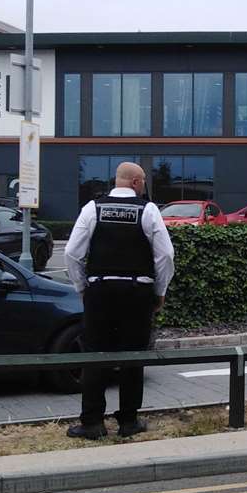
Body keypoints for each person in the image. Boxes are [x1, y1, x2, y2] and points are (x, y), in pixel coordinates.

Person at [62, 161, 174, 439]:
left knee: (94, 355)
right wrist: (159, 292)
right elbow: (165, 256)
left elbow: (72, 253)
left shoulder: (92, 208)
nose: (145, 185)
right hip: (137, 293)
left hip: (100, 292)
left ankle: (92, 423)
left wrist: (82, 287)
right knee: (133, 357)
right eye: (144, 181)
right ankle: (128, 422)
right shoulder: (148, 211)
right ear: (135, 182)